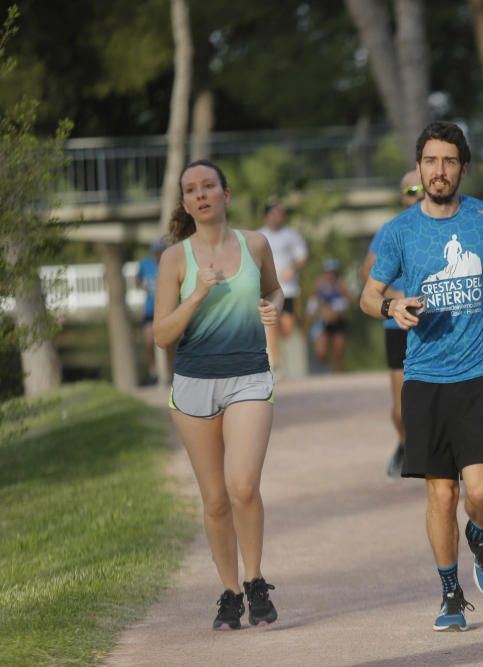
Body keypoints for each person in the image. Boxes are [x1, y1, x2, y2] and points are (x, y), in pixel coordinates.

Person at [360, 121, 483, 632]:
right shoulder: (399, 231)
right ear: (419, 168)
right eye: (431, 161)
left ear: (462, 168)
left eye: (449, 161)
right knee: (441, 494)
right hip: (426, 376)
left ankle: (479, 533)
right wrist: (393, 304)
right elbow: (368, 296)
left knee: (478, 492)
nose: (439, 170)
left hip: (481, 371)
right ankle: (451, 593)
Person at [153, 159, 282, 631]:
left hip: (248, 375)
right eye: (191, 189)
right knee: (214, 500)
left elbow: (276, 290)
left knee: (243, 485)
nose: (200, 194)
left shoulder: (256, 244)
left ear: (226, 195)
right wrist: (196, 295)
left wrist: (273, 307)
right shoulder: (174, 259)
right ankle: (229, 592)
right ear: (185, 202)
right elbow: (162, 335)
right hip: (193, 384)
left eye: (209, 186)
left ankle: (254, 580)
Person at [359, 170, 424, 479]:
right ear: (402, 196)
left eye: (422, 187)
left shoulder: (446, 226)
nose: (417, 193)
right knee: (402, 405)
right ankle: (403, 442)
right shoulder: (390, 230)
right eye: (411, 189)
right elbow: (366, 274)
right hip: (398, 324)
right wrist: (396, 297)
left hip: (436, 322)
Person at [257, 200, 308, 375]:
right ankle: (274, 365)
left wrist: (291, 268)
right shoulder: (259, 236)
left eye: (280, 213)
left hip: (288, 289)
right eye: (274, 213)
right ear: (267, 215)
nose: (277, 216)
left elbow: (302, 257)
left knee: (286, 329)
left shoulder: (291, 235)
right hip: (268, 289)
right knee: (271, 324)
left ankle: (278, 357)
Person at [308, 258, 352, 373]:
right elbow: (313, 301)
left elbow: (348, 300)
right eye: (329, 272)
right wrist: (317, 312)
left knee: (339, 350)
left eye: (333, 272)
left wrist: (336, 310)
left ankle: (340, 372)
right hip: (322, 322)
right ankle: (329, 367)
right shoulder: (319, 284)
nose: (331, 275)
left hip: (337, 322)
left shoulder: (341, 284)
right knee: (320, 353)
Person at [137, 239, 166, 385]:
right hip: (149, 310)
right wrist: (143, 287)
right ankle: (153, 372)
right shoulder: (145, 264)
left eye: (160, 251)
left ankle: (169, 373)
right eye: (156, 251)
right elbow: (138, 281)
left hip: (166, 309)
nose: (158, 254)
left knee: (168, 344)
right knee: (148, 342)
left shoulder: (168, 263)